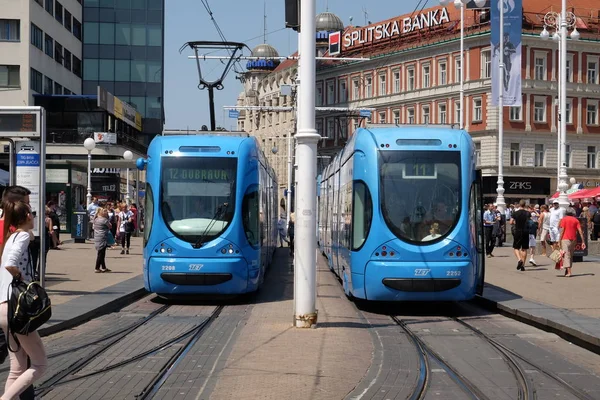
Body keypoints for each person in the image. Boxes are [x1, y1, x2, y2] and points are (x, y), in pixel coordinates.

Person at [0, 201, 48, 399]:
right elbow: (10, 263)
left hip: (4, 307)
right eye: (32, 213)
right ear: (28, 216)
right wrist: (19, 276)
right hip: (15, 309)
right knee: (40, 365)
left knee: (17, 367)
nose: (34, 217)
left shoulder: (10, 237)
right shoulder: (21, 236)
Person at [559, 207, 585, 277]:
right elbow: (580, 231)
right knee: (570, 255)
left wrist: (559, 240)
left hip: (565, 238)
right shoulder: (576, 220)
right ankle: (567, 270)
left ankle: (569, 272)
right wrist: (583, 241)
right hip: (573, 239)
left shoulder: (564, 219)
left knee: (566, 255)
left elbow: (562, 231)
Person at [510, 200, 530, 271]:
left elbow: (511, 222)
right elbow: (529, 221)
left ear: (519, 204)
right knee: (524, 249)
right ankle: (523, 265)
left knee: (516, 247)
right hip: (525, 231)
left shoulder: (515, 213)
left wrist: (515, 222)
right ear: (525, 205)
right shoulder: (528, 213)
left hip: (518, 231)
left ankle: (519, 260)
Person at [93, 208, 112, 273]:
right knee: (101, 253)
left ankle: (103, 267)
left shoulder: (96, 219)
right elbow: (110, 226)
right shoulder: (104, 220)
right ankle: (97, 267)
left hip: (97, 237)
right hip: (103, 237)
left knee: (101, 252)